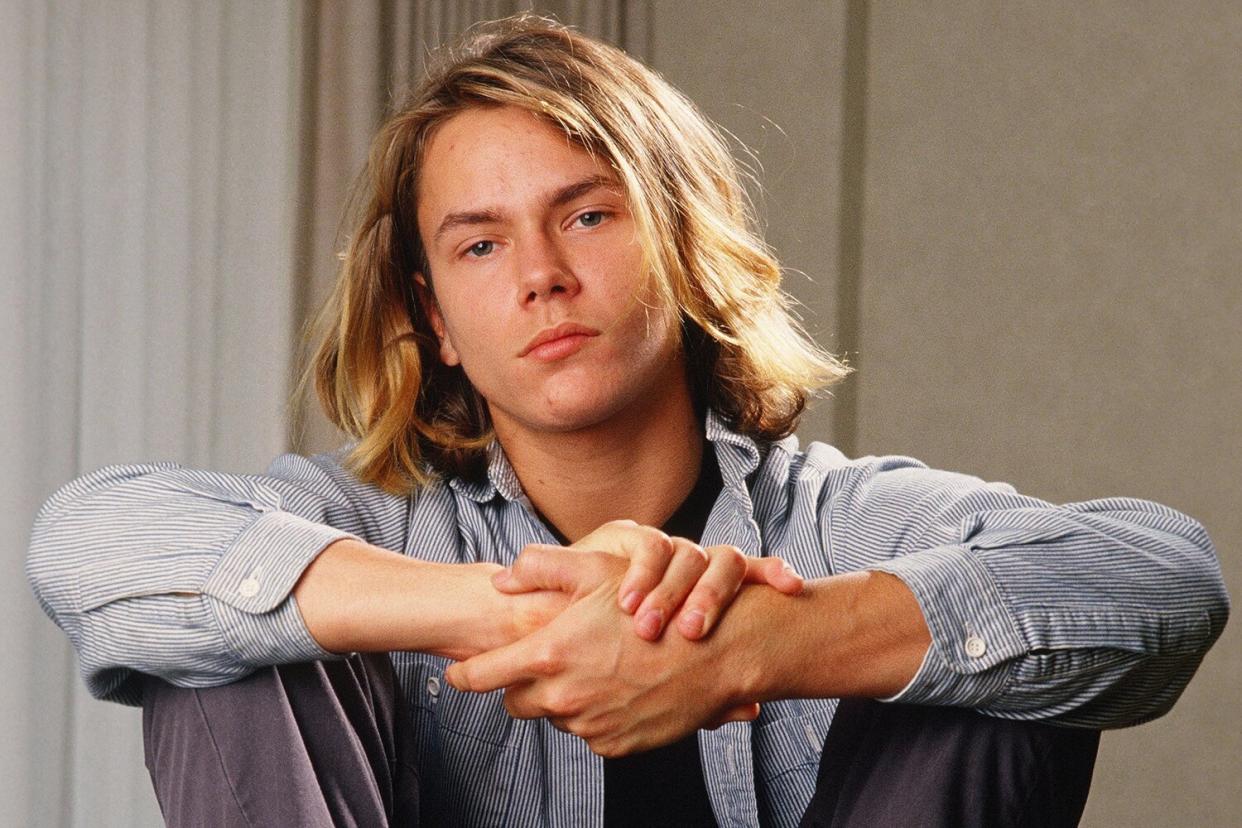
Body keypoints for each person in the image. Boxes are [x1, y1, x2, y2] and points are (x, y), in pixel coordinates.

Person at [27, 13, 1228, 828]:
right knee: (233, 648)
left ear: (681, 243)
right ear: (437, 318)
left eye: (588, 216)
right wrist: (534, 614)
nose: (540, 274)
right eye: (481, 243)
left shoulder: (833, 525)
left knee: (992, 671)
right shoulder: (378, 532)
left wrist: (749, 647)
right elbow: (88, 541)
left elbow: (1165, 578)